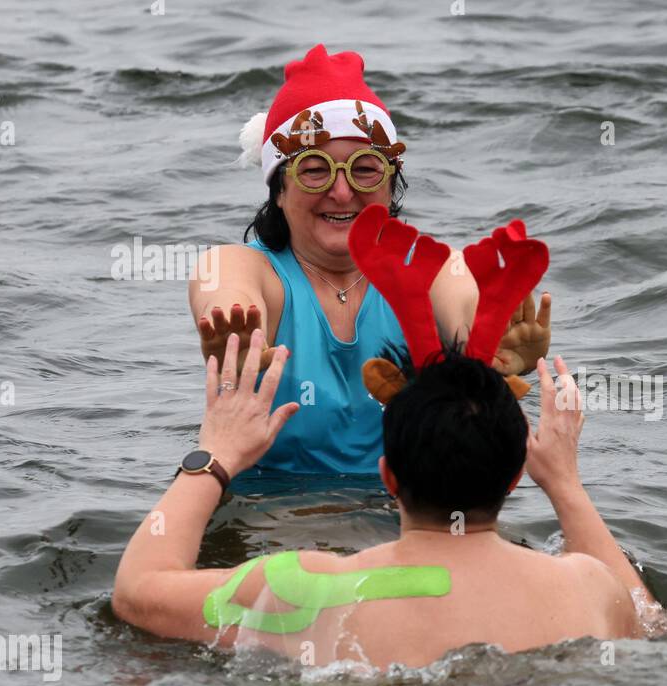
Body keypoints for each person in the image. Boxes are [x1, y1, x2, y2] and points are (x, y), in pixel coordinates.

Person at [115, 217, 656, 669]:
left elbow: (138, 593)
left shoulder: (304, 590)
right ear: (516, 475)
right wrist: (564, 483)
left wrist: (216, 455)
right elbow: (651, 624)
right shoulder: (587, 588)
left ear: (389, 474)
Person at [189, 44, 552, 474]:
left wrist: (488, 348)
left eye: (364, 169)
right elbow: (223, 288)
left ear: (390, 185)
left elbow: (465, 299)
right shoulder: (245, 267)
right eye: (314, 169)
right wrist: (234, 335)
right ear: (279, 190)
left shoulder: (431, 271)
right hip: (269, 526)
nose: (342, 192)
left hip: (405, 520)